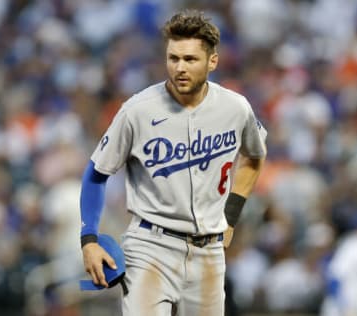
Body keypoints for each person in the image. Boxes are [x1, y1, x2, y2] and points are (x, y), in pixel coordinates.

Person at [79, 10, 267, 316]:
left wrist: (231, 215)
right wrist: (88, 238)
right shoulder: (138, 110)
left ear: (212, 61)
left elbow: (254, 156)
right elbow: (96, 174)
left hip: (208, 251)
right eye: (173, 58)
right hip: (150, 245)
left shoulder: (235, 108)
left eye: (190, 59)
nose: (179, 67)